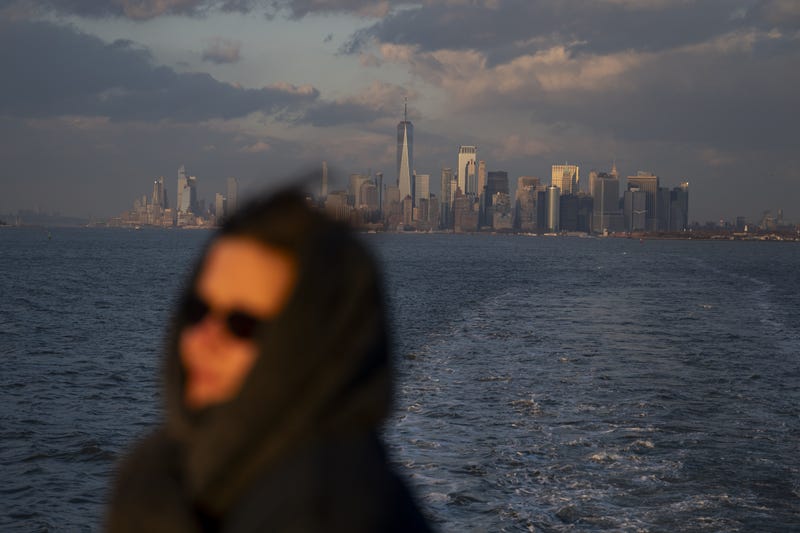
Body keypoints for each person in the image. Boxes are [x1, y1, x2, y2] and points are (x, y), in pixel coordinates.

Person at [107, 189, 433, 532]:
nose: (203, 339)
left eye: (242, 324)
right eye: (198, 311)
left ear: (313, 347)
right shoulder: (164, 473)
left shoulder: (328, 511)